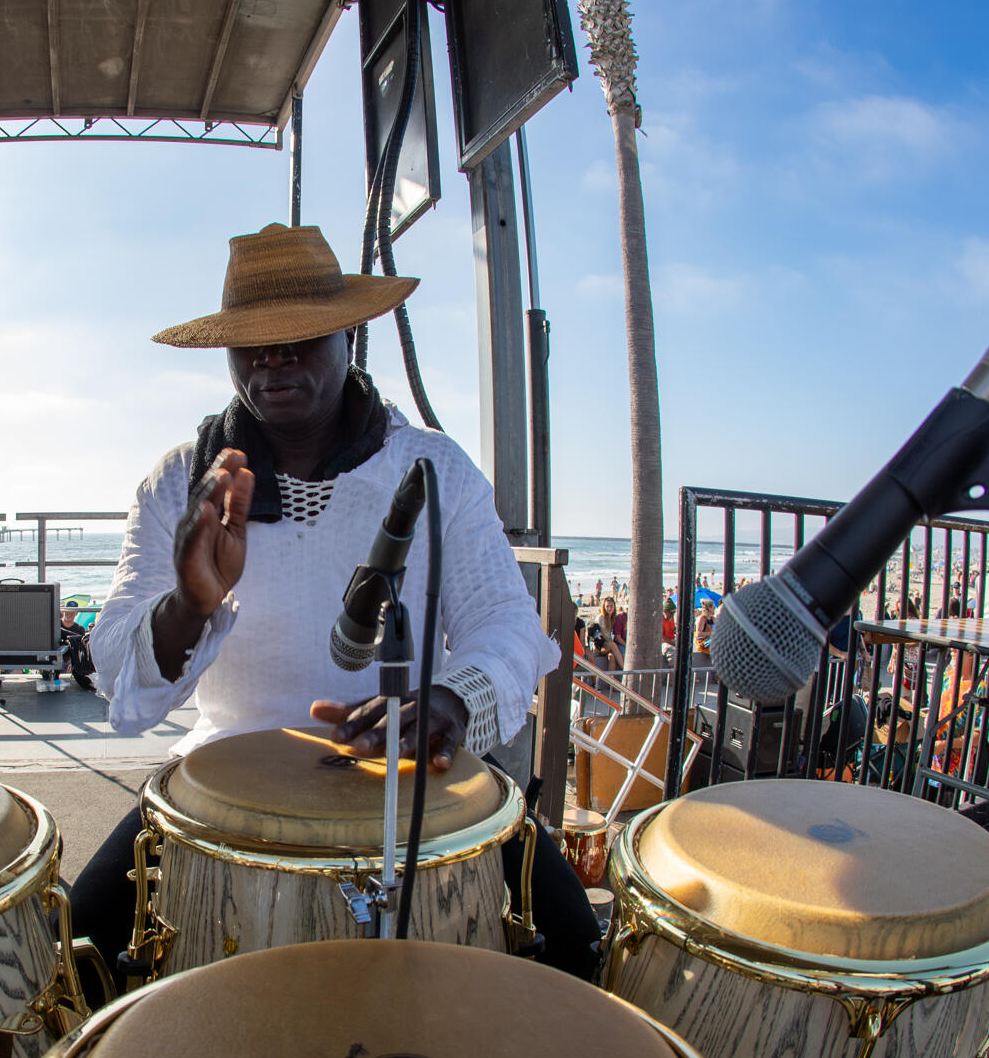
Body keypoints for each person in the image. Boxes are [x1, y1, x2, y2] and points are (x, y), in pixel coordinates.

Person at [74, 223, 597, 979]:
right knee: (76, 954)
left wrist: (449, 697)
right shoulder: (180, 481)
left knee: (579, 954)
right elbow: (115, 671)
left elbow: (508, 627)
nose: (273, 357)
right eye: (251, 340)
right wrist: (188, 604)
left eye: (302, 335)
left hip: (417, 774)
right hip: (221, 782)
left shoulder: (432, 468)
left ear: (350, 336)